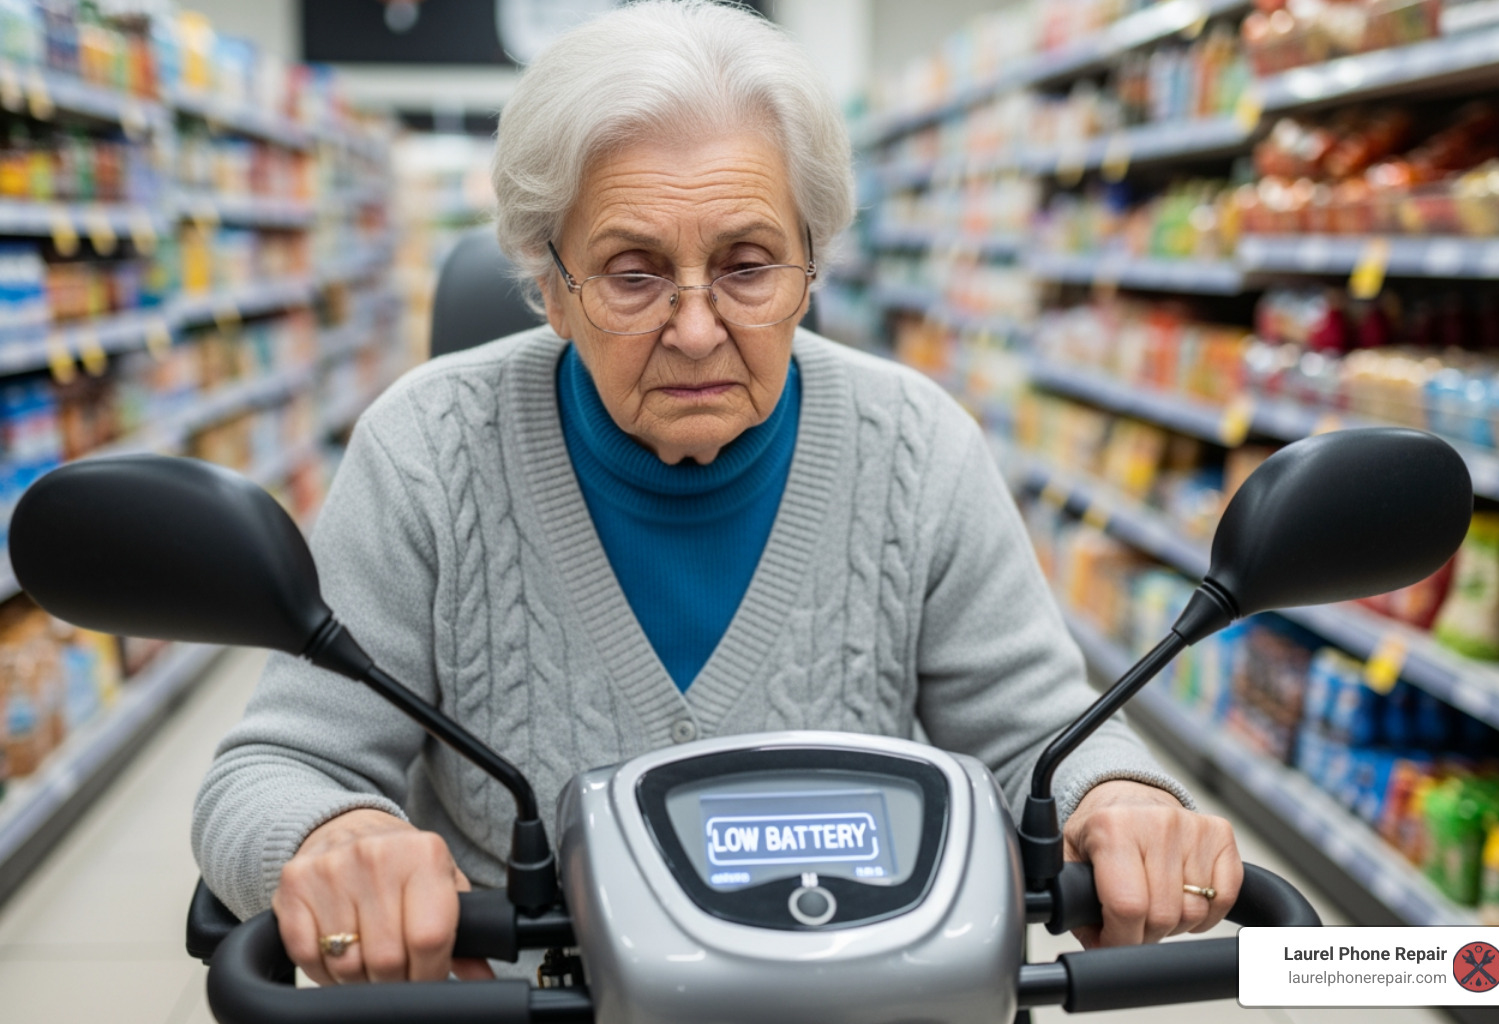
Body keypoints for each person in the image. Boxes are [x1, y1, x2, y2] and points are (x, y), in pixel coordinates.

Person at [193, 0, 1241, 988]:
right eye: (633, 273)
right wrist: (335, 836)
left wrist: (1121, 797)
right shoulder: (424, 451)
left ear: (813, 267)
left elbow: (1038, 735)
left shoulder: (919, 448)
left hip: (853, 994)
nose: (697, 330)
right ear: (549, 285)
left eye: (747, 265)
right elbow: (279, 764)